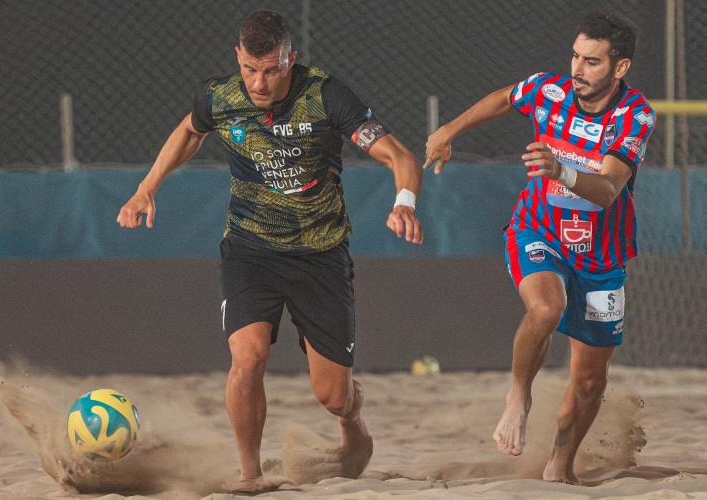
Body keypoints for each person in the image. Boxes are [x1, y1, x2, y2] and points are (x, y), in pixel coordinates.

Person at [117, 9, 423, 493]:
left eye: (271, 70)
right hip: (250, 250)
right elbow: (190, 131)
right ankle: (250, 475)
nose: (259, 83)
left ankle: (352, 425)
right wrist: (147, 187)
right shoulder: (220, 96)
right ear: (238, 57)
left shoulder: (326, 96)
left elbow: (399, 155)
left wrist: (404, 201)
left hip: (320, 254)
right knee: (247, 355)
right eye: (249, 69)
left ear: (290, 59)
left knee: (333, 396)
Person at [424, 12, 655, 484]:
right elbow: (505, 97)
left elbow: (609, 189)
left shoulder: (635, 115)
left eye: (592, 61)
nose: (577, 69)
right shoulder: (549, 91)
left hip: (600, 256)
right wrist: (449, 130)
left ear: (620, 67)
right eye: (575, 56)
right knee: (547, 308)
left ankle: (559, 467)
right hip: (538, 231)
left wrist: (561, 171)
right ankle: (518, 397)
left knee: (589, 379)